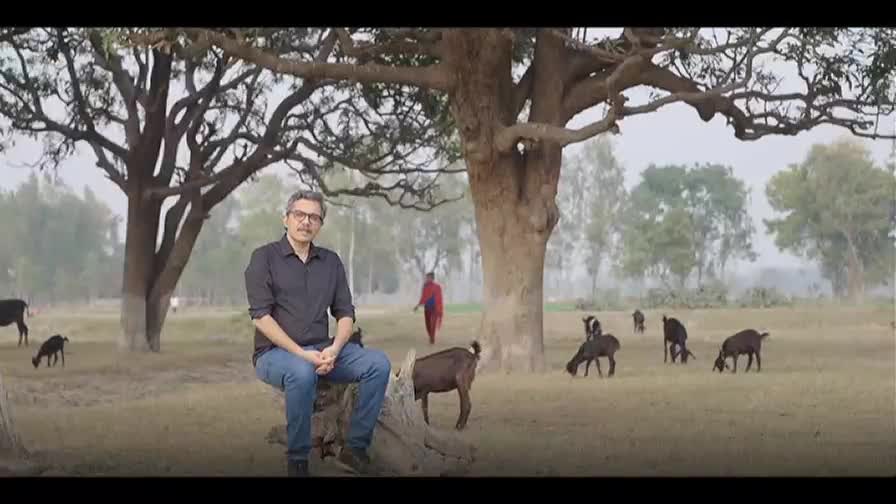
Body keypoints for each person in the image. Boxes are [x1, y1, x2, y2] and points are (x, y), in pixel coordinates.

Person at [244, 190, 391, 477]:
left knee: (378, 364)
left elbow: (345, 314)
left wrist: (335, 349)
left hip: (324, 348)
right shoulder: (263, 258)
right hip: (274, 355)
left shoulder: (331, 262)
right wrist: (302, 355)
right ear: (285, 219)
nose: (306, 222)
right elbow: (261, 317)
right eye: (299, 214)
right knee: (301, 372)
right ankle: (298, 461)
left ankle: (355, 450)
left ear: (320, 224)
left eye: (314, 217)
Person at [413, 272, 443, 345]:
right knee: (428, 324)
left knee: (433, 324)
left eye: (428, 277)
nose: (427, 279)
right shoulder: (425, 286)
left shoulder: (437, 287)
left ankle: (432, 338)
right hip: (427, 308)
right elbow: (423, 297)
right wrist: (418, 305)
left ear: (432, 278)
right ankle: (431, 336)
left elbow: (439, 298)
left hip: (435, 308)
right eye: (426, 277)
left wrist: (439, 308)